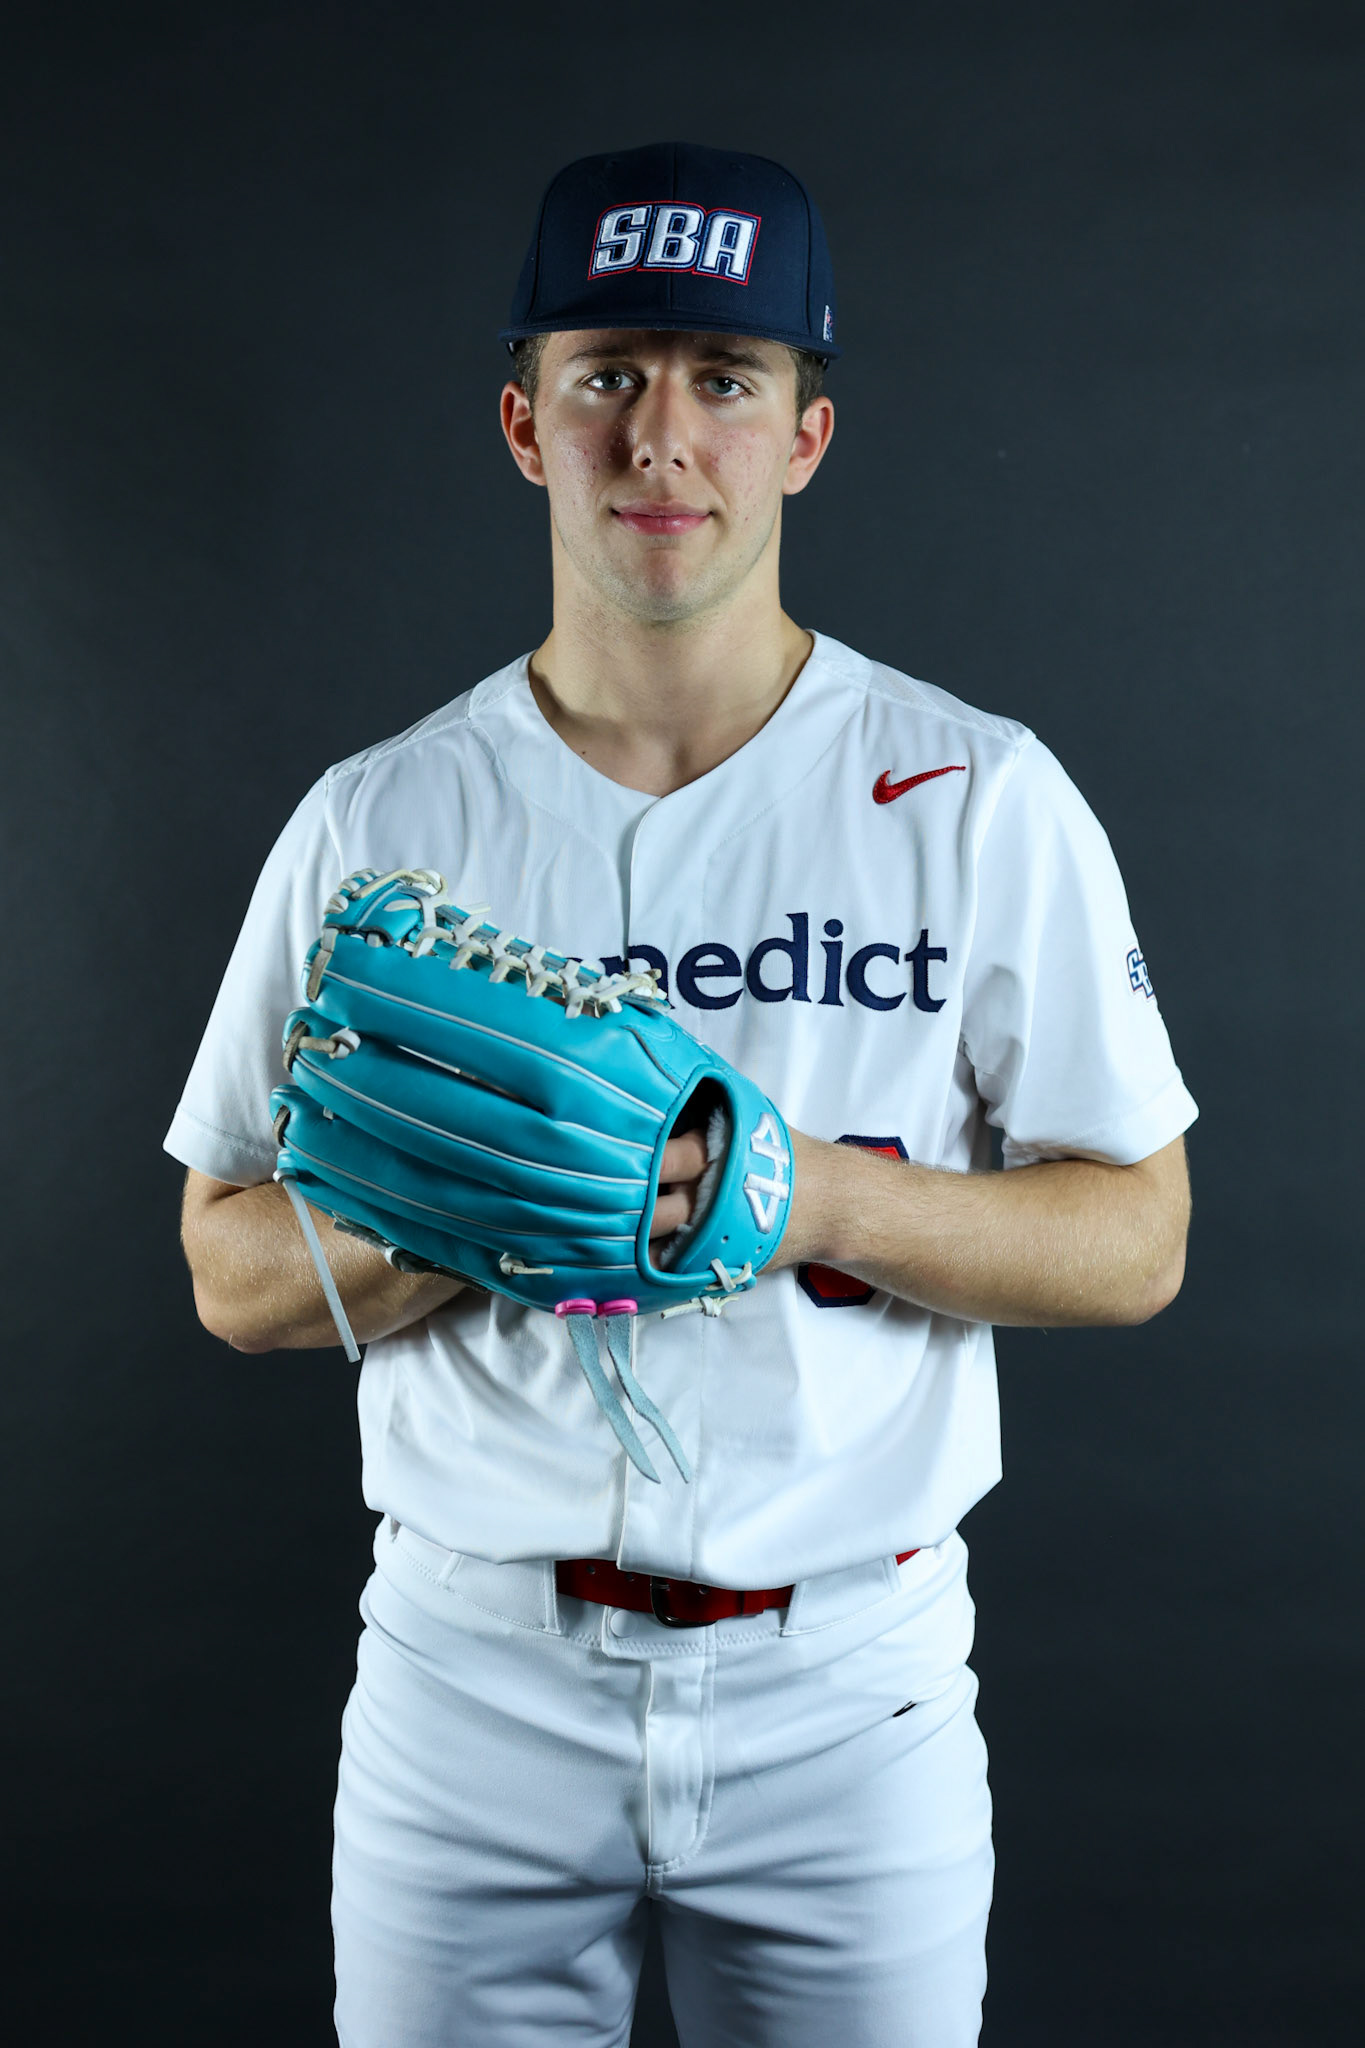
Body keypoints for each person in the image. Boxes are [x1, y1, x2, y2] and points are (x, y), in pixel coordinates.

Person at [167, 142, 1196, 2048]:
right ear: (523, 425)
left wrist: (800, 1198)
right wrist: (495, 1198)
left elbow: (1138, 1238)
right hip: (471, 1677)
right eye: (607, 374)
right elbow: (227, 1271)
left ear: (804, 436)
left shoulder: (976, 793)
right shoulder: (380, 816)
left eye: (724, 378)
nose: (661, 435)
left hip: (853, 1683)